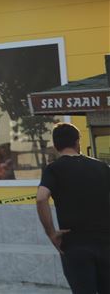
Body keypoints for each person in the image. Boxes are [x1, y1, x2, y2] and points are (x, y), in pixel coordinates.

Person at [36, 122, 110, 294]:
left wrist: (51, 233)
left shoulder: (53, 169)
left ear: (55, 145)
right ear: (78, 142)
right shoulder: (102, 167)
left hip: (74, 243)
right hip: (106, 242)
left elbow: (41, 199)